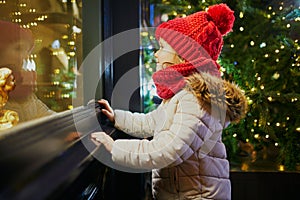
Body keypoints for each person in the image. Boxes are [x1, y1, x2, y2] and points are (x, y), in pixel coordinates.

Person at [91, 4, 248, 200]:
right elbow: (150, 122)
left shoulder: (195, 100)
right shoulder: (180, 95)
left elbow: (169, 149)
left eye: (163, 48)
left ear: (185, 57)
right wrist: (117, 118)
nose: (156, 54)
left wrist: (115, 147)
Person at [0, 20, 55, 123]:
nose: (25, 56)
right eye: (18, 48)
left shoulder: (24, 88)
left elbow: (44, 114)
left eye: (27, 51)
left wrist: (66, 128)